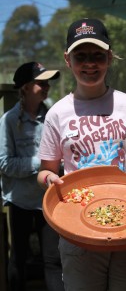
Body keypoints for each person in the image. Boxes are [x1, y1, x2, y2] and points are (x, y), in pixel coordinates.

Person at [37, 18, 126, 291]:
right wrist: (50, 180)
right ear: (68, 60)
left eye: (97, 56)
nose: (89, 64)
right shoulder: (57, 113)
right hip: (78, 229)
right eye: (81, 56)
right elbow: (46, 170)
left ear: (109, 57)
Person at [0, 62, 65, 291]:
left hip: (49, 201)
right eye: (41, 82)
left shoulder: (54, 116)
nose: (46, 87)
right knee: (18, 258)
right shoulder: (8, 120)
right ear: (26, 87)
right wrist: (44, 164)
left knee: (54, 260)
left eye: (48, 82)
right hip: (20, 201)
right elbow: (4, 164)